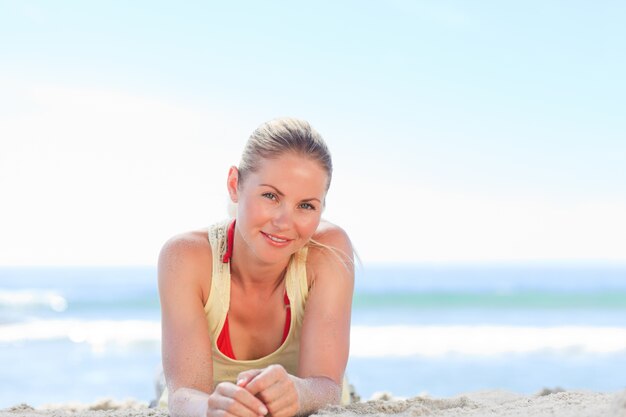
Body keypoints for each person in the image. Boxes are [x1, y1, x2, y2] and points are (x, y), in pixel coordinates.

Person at [157, 118, 355, 417]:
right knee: (167, 386)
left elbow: (327, 386)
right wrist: (211, 408)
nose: (284, 223)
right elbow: (185, 395)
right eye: (270, 196)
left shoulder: (328, 252)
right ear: (235, 185)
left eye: (306, 206)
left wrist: (299, 393)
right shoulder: (185, 257)